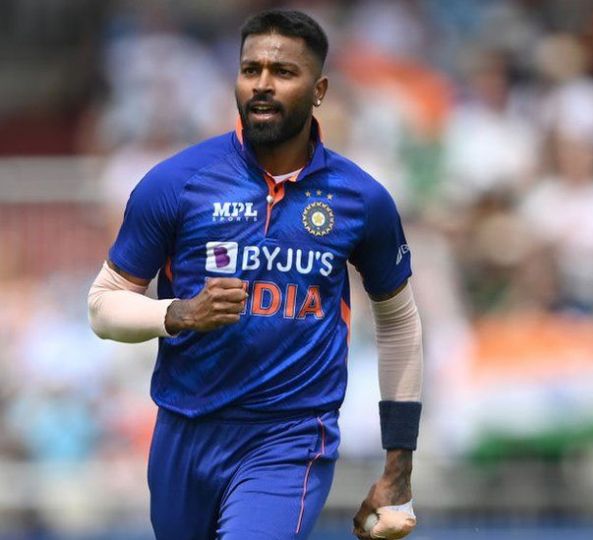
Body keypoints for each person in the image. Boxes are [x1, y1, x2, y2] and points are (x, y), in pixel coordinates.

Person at [87, 10, 422, 540]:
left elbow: (399, 323)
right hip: (184, 432)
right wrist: (179, 313)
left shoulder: (361, 199)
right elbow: (103, 306)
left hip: (290, 437)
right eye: (251, 70)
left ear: (320, 90)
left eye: (283, 72)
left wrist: (398, 469)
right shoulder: (175, 183)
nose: (262, 84)